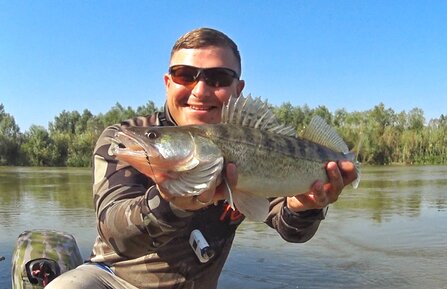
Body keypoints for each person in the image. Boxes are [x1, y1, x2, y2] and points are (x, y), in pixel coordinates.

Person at [47, 27, 358, 289]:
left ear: (238, 88)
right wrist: (173, 202)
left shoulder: (248, 145)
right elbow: (117, 235)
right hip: (114, 280)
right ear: (168, 83)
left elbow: (291, 230)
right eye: (184, 75)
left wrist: (303, 206)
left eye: (219, 78)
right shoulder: (130, 139)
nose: (200, 90)